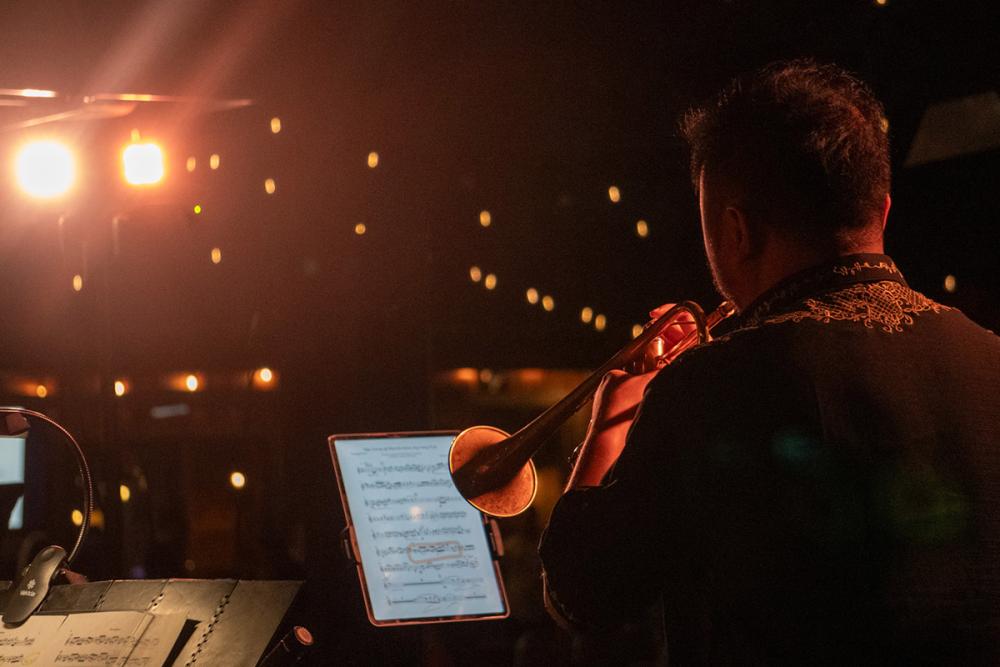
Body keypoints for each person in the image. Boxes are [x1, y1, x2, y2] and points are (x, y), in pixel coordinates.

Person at [539, 60, 1000, 664]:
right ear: (882, 212)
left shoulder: (706, 387)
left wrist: (609, 429)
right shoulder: (991, 356)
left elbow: (582, 596)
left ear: (737, 232)